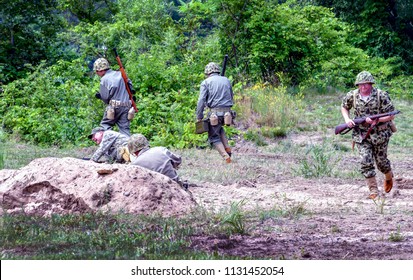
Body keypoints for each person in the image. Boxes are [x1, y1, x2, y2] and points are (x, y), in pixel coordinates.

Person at [340, 71, 397, 199]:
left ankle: (388, 176)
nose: (363, 87)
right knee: (365, 161)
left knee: (382, 163)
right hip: (361, 134)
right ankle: (373, 191)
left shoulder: (381, 95)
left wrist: (377, 120)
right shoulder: (353, 95)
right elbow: (344, 107)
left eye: (366, 84)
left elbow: (391, 114)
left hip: (380, 134)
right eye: (360, 84)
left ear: (371, 84)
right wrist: (347, 120)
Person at [196, 62, 234, 163]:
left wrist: (199, 116)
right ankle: (227, 148)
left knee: (214, 137)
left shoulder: (206, 82)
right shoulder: (226, 80)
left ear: (207, 72)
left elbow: (201, 101)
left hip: (214, 114)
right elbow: (231, 96)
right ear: (217, 70)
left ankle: (226, 157)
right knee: (220, 129)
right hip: (227, 113)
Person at [93, 58, 134, 136]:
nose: (97, 73)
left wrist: (100, 96)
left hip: (114, 107)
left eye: (97, 71)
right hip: (127, 106)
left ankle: (111, 143)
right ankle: (127, 146)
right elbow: (131, 88)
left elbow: (105, 98)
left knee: (105, 125)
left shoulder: (104, 79)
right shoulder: (121, 74)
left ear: (101, 70)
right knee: (125, 129)